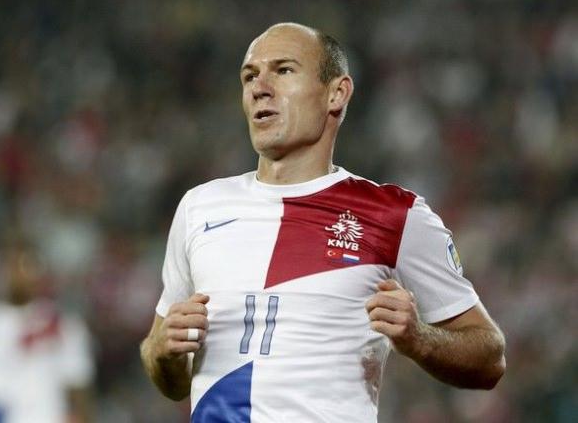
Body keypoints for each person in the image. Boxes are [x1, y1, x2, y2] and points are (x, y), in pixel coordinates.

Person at [140, 22, 506, 422]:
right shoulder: (200, 207)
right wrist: (163, 353)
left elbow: (490, 358)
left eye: (283, 70)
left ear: (337, 93)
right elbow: (169, 375)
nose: (260, 87)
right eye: (249, 76)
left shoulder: (395, 214)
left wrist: (420, 339)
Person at [0, 242, 94, 423]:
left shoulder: (66, 325)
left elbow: (78, 383)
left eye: (28, 265)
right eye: (12, 265)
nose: (20, 274)